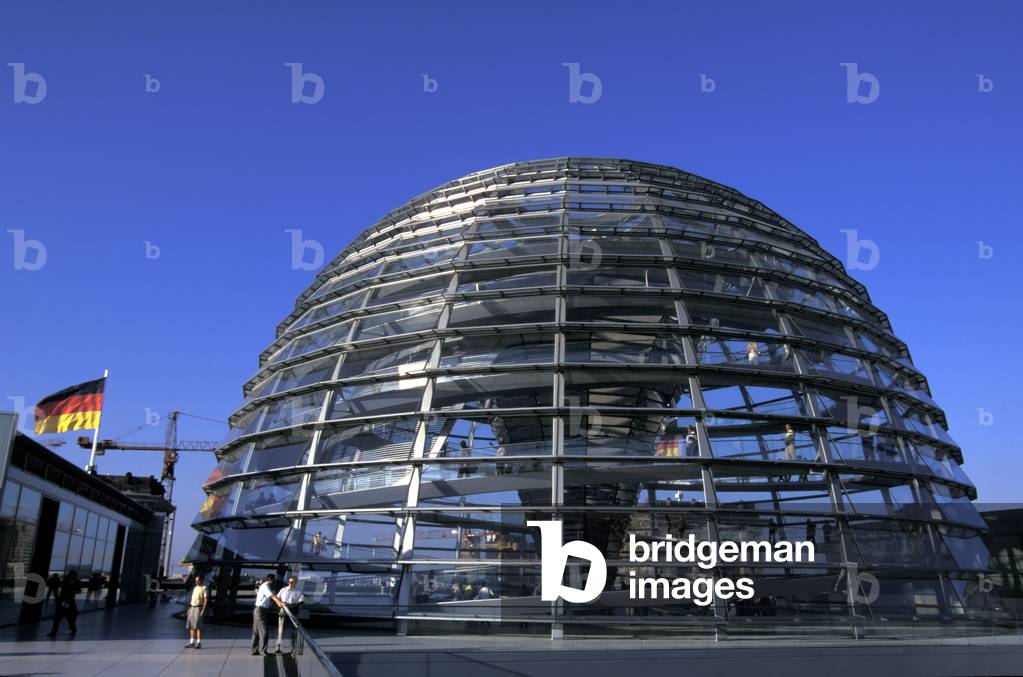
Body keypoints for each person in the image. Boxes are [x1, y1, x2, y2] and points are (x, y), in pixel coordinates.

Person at [251, 574, 284, 656]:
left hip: (260, 610)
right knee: (264, 631)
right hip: (260, 611)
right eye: (274, 579)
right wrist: (279, 603)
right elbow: (272, 596)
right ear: (269, 579)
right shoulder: (265, 586)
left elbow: (272, 596)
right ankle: (263, 650)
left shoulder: (266, 586)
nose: (275, 581)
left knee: (256, 632)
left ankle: (254, 650)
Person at [275, 576, 305, 655]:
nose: (291, 583)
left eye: (293, 582)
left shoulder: (298, 591)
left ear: (296, 583)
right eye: (290, 582)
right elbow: (276, 599)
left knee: (293, 631)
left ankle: (293, 649)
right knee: (280, 630)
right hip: (283, 610)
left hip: (293, 611)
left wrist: (296, 605)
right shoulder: (283, 590)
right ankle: (278, 648)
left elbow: (301, 602)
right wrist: (280, 605)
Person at [47, 571, 79, 638]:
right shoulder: (71, 582)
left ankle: (55, 631)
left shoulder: (71, 582)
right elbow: (73, 592)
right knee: (62, 616)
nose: (71, 576)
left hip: (67, 602)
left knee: (67, 616)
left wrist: (66, 601)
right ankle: (55, 631)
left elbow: (73, 593)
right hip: (66, 602)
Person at [185, 574, 208, 649]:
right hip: (192, 608)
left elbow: (205, 600)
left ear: (201, 580)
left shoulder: (204, 588)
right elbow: (192, 599)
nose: (196, 582)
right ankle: (191, 642)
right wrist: (189, 608)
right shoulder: (195, 588)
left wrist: (203, 610)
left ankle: (198, 642)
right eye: (196, 580)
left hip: (199, 608)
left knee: (198, 626)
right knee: (191, 626)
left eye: (198, 580)